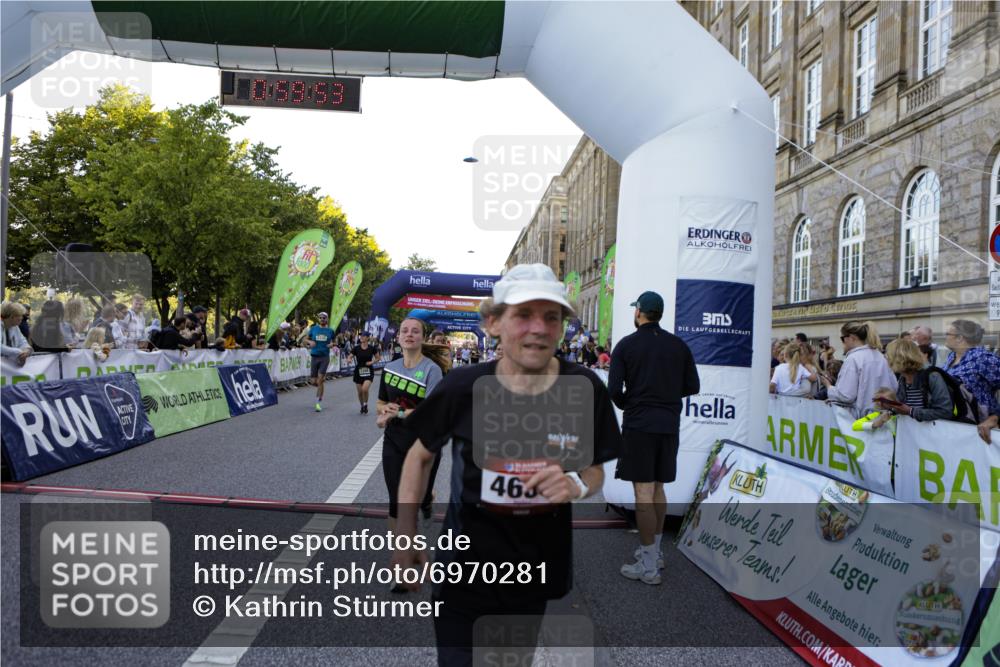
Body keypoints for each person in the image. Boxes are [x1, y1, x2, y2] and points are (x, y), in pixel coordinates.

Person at [390, 264, 621, 664]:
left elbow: (594, 469)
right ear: (493, 323)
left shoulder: (584, 387)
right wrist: (405, 537)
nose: (539, 328)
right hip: (462, 574)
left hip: (532, 577)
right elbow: (420, 455)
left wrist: (577, 486)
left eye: (552, 317)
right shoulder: (463, 387)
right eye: (523, 315)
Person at [608, 290, 700, 585]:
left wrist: (631, 404)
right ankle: (655, 553)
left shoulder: (626, 345)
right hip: (669, 424)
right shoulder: (678, 345)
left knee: (643, 493)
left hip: (640, 425)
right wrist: (667, 397)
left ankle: (648, 567)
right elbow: (693, 386)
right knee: (658, 489)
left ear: (639, 312)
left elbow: (613, 390)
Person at [375, 317, 448, 551]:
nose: (409, 334)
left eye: (415, 331)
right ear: (398, 338)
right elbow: (380, 402)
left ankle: (427, 500)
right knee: (397, 502)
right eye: (404, 331)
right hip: (394, 441)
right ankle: (401, 557)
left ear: (422, 338)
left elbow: (430, 413)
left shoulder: (432, 370)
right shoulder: (390, 368)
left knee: (420, 497)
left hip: (425, 443)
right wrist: (384, 410)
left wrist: (397, 413)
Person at [818, 320, 896, 416]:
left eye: (842, 338)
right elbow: (894, 387)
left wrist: (828, 386)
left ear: (852, 338)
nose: (843, 342)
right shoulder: (881, 357)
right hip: (882, 417)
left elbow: (846, 395)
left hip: (861, 419)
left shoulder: (853, 359)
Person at [943, 319, 1000, 442]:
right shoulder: (951, 356)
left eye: (947, 334)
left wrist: (996, 417)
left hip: (980, 428)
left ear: (960, 338)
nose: (945, 337)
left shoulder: (982, 358)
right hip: (955, 425)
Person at [883, 338, 955, 422]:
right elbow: (903, 408)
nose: (886, 360)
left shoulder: (932, 377)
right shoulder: (903, 379)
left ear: (899, 359)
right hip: (914, 430)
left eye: (888, 356)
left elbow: (945, 412)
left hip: (934, 430)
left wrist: (911, 411)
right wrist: (891, 409)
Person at [306, 312, 335, 412]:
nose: (322, 319)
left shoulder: (330, 331)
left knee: (320, 379)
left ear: (327, 319)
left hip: (324, 357)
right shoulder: (313, 329)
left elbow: (334, 341)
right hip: (314, 357)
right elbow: (304, 339)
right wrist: (310, 342)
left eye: (324, 318)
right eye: (320, 318)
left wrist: (332, 344)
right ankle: (320, 386)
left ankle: (318, 403)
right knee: (313, 381)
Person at [352, 332, 379, 413]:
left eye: (363, 336)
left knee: (365, 389)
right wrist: (349, 359)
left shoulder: (372, 348)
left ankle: (365, 404)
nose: (361, 337)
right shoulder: (356, 348)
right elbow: (350, 355)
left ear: (367, 338)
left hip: (368, 370)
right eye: (361, 336)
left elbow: (378, 358)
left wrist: (371, 362)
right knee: (360, 392)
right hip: (358, 371)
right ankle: (362, 406)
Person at [1, 302, 33, 366]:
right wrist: (18, 352)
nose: (21, 318)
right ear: (11, 317)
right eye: (19, 315)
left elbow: (23, 342)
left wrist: (26, 351)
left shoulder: (15, 327)